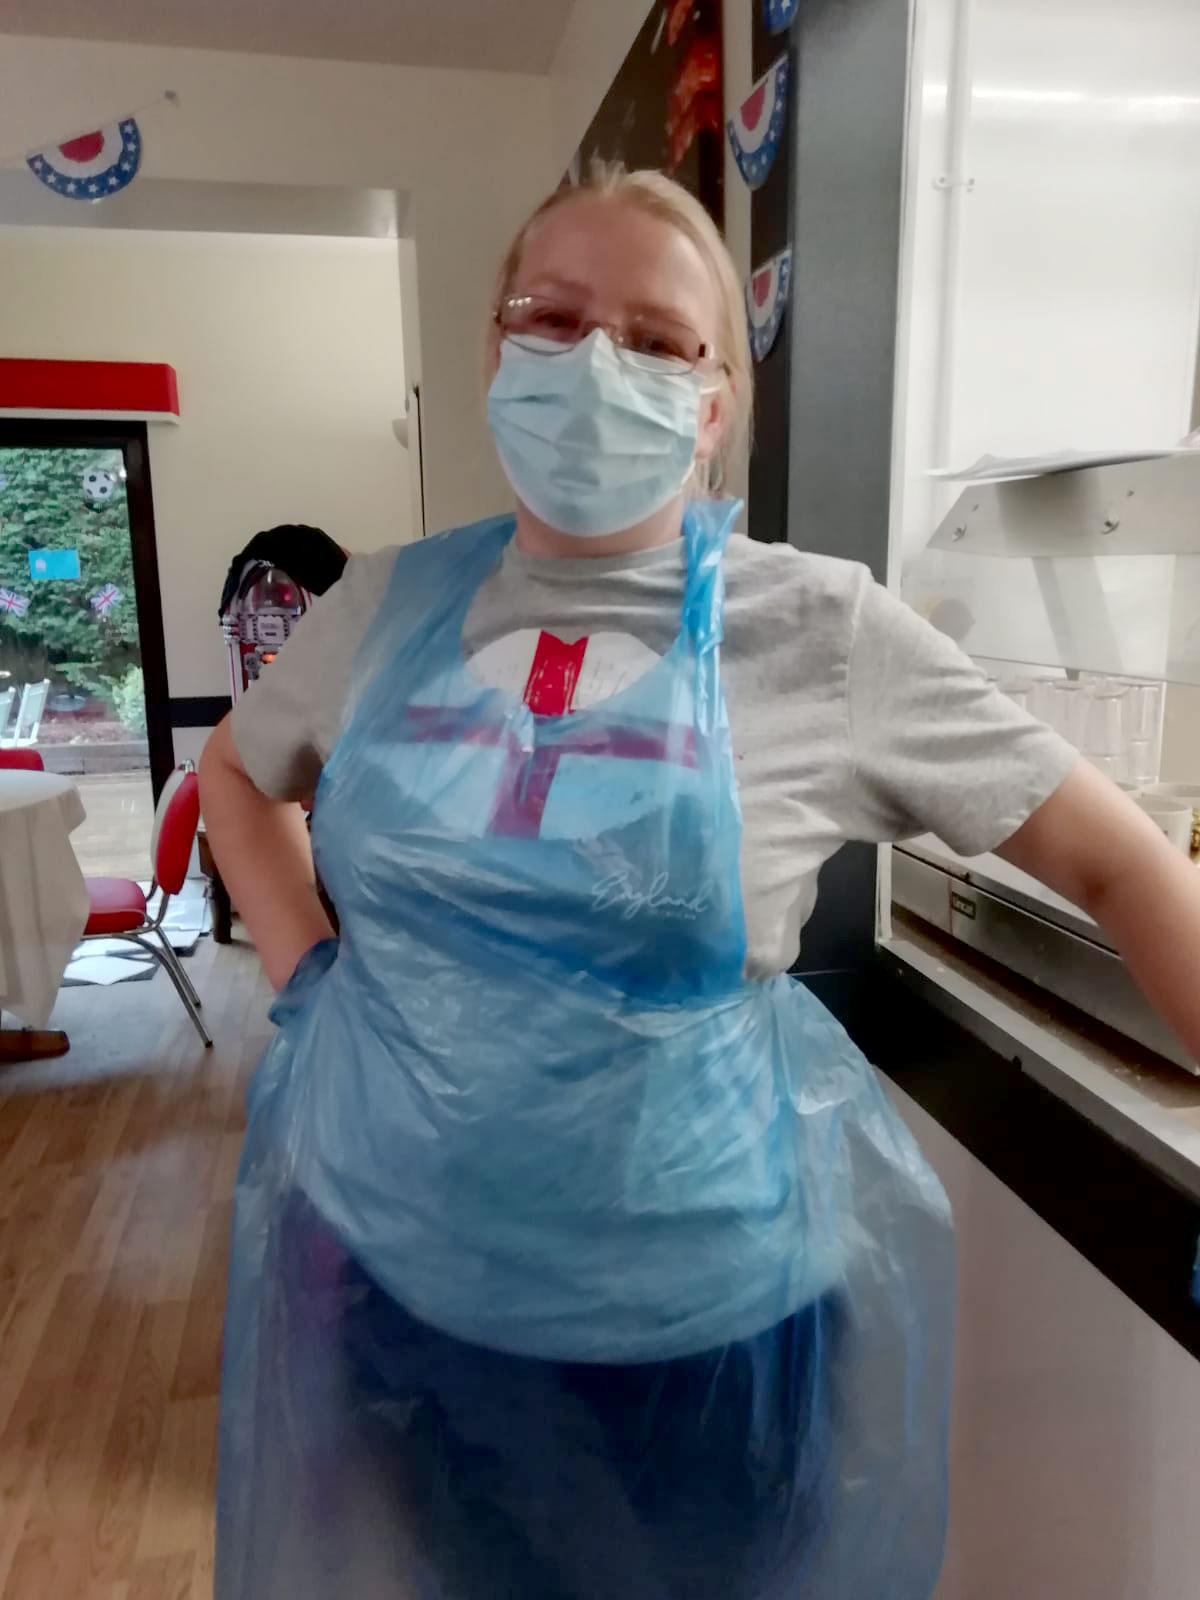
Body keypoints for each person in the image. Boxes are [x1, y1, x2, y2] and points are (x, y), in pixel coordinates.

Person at [200, 165, 1200, 1600]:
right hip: (410, 1293)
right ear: (495, 353)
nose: (596, 365)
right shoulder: (376, 608)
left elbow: (1118, 855)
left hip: (704, 1342)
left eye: (659, 342)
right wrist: (309, 981)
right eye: (554, 319)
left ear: (715, 404)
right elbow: (233, 774)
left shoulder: (821, 635)